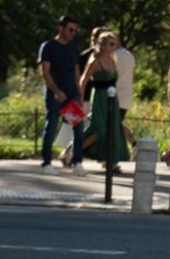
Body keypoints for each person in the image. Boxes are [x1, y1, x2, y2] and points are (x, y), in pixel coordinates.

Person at [37, 16, 83, 170]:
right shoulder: (48, 47)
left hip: (71, 95)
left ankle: (77, 162)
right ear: (61, 28)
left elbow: (77, 72)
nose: (73, 33)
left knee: (78, 127)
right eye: (70, 29)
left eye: (75, 31)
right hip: (55, 95)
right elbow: (45, 72)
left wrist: (79, 94)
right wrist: (56, 91)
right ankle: (47, 162)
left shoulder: (73, 48)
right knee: (51, 127)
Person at [83, 32, 129, 172]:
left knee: (113, 129)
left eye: (115, 43)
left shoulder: (113, 60)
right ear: (102, 45)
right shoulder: (95, 61)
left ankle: (111, 162)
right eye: (111, 43)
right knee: (99, 130)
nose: (114, 46)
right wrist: (80, 99)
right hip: (99, 98)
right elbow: (83, 80)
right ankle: (73, 152)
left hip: (112, 99)